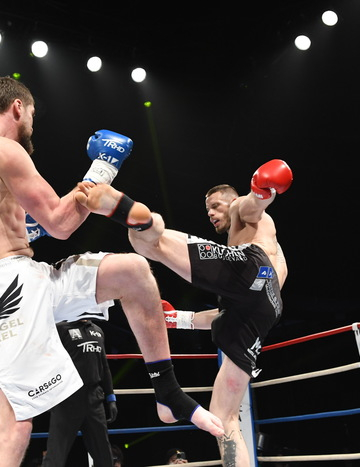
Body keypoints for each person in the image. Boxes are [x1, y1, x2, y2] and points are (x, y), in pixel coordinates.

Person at [0, 76, 222, 467]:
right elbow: (60, 224)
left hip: (21, 275)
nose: (32, 124)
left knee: (133, 271)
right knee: (13, 428)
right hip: (5, 288)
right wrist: (103, 168)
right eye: (32, 114)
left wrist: (22, 232)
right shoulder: (3, 149)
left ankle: (167, 392)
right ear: (18, 108)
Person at [76, 158, 293, 467]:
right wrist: (177, 318)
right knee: (224, 416)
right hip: (263, 307)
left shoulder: (243, 212)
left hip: (250, 270)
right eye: (208, 210)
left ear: (231, 200)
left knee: (146, 241)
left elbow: (251, 207)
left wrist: (260, 191)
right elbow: (228, 312)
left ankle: (126, 211)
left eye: (216, 206)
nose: (211, 213)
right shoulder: (267, 251)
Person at [43, 319, 117, 467]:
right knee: (56, 454)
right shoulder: (60, 329)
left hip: (95, 398)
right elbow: (46, 362)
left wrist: (111, 398)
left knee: (103, 453)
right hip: (67, 397)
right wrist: (48, 396)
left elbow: (104, 366)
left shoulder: (98, 330)